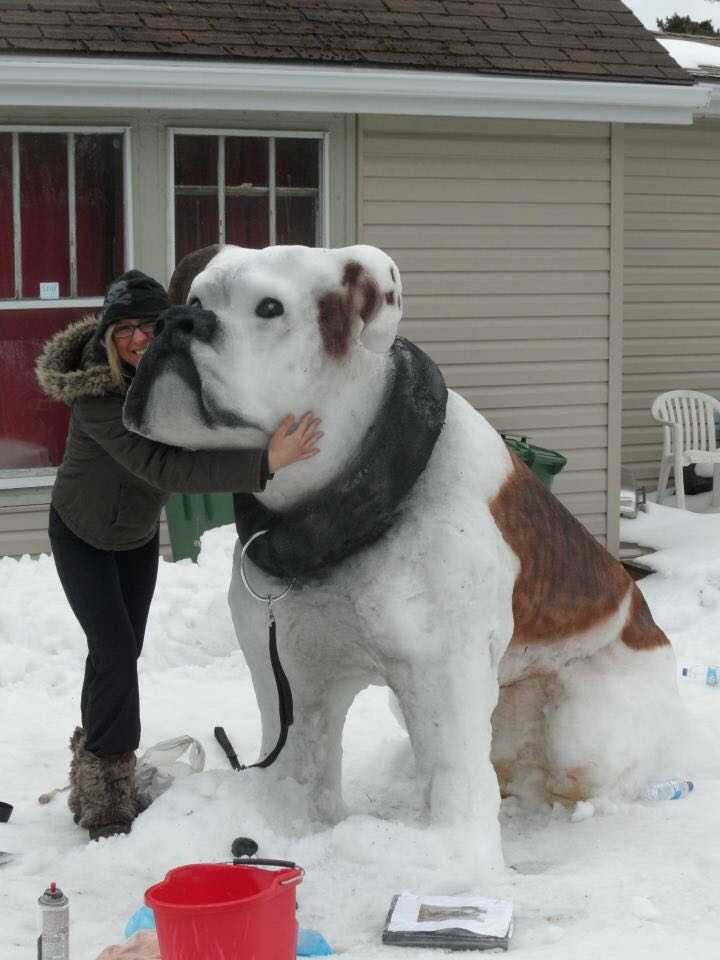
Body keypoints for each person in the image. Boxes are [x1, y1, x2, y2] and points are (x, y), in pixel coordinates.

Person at [36, 270, 322, 841]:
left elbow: (209, 428)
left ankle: (93, 759)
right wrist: (267, 462)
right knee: (114, 650)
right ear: (110, 335)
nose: (139, 339)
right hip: (82, 534)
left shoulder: (166, 382)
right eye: (126, 329)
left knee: (118, 650)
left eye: (150, 326)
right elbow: (165, 467)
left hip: (135, 535)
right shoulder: (97, 399)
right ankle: (107, 796)